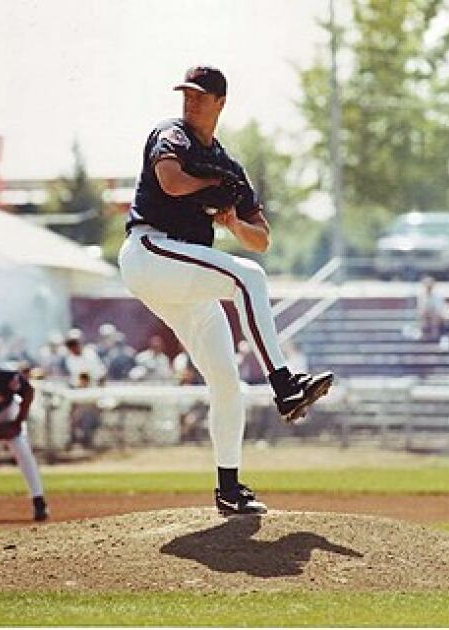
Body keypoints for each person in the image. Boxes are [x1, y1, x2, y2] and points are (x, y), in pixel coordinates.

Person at [117, 65, 333, 516]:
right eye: (186, 94)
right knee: (248, 277)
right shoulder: (171, 134)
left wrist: (234, 222)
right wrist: (213, 186)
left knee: (226, 382)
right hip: (152, 251)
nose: (190, 102)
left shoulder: (230, 164)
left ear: (220, 103)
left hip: (183, 278)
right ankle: (283, 383)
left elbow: (262, 237)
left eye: (199, 96)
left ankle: (229, 490)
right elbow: (172, 181)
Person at [0, 331, 49, 521]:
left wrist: (18, 422)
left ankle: (38, 501)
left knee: (22, 449)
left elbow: (28, 391)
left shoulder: (1, 373)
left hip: (5, 413)